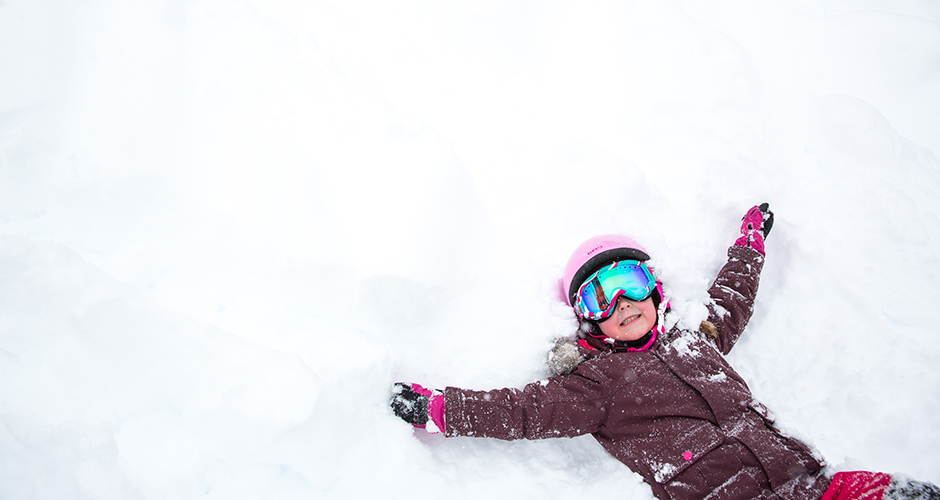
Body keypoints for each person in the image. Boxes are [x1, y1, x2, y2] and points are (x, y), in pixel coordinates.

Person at [390, 204, 939, 500]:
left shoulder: (697, 340)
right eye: (600, 295)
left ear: (655, 289)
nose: (622, 302)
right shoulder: (595, 384)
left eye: (630, 281)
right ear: (584, 315)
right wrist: (440, 409)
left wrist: (749, 245)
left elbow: (732, 300)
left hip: (810, 485)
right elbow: (522, 411)